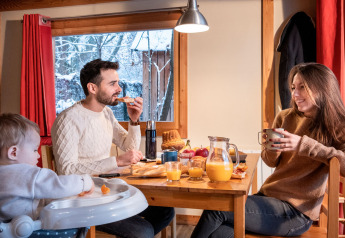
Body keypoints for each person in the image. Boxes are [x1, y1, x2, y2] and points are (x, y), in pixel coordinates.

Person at [191, 62, 345, 238]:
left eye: (302, 87)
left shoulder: (337, 125)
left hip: (295, 213)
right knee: (219, 233)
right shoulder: (285, 117)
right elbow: (270, 161)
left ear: (322, 88)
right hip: (268, 197)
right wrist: (270, 147)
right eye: (293, 87)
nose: (295, 94)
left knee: (217, 209)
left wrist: (303, 145)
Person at [51, 59, 174, 238]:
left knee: (165, 212)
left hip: (106, 190)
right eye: (112, 84)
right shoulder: (68, 120)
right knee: (143, 231)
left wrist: (134, 121)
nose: (119, 89)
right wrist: (115, 161)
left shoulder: (106, 113)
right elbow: (66, 171)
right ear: (92, 88)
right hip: (82, 200)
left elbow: (129, 147)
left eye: (117, 82)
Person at [0, 113, 94, 238]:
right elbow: (59, 186)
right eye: (34, 150)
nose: (38, 155)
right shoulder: (28, 174)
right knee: (81, 221)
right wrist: (85, 182)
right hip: (25, 233)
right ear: (13, 152)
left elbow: (29, 197)